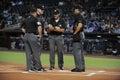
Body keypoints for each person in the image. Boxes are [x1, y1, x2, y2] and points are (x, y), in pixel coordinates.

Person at [21, 7, 46, 72]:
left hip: (26, 36)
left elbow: (22, 28)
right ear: (34, 12)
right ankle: (38, 68)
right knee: (36, 53)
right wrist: (40, 35)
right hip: (32, 36)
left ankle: (29, 68)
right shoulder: (35, 19)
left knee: (28, 53)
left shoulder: (26, 19)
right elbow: (39, 27)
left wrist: (27, 32)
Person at [71, 5, 85, 72]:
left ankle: (79, 67)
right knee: (80, 52)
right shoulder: (81, 16)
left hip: (78, 35)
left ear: (78, 10)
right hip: (81, 34)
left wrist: (75, 32)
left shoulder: (79, 16)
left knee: (77, 52)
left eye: (75, 9)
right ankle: (82, 67)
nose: (74, 10)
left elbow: (80, 25)